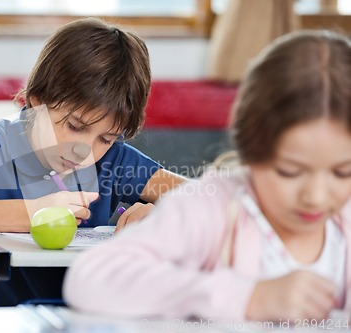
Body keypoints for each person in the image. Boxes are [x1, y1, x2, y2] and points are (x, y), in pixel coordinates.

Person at [0, 17, 186, 305]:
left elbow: (215, 204)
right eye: (75, 127)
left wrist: (162, 218)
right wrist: (30, 213)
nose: (86, 153)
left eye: (106, 138)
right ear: (37, 99)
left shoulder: (116, 161)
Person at [63, 29, 351, 323]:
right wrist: (245, 297)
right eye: (290, 172)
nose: (316, 196)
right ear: (251, 146)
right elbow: (90, 280)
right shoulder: (212, 209)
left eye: (343, 173)